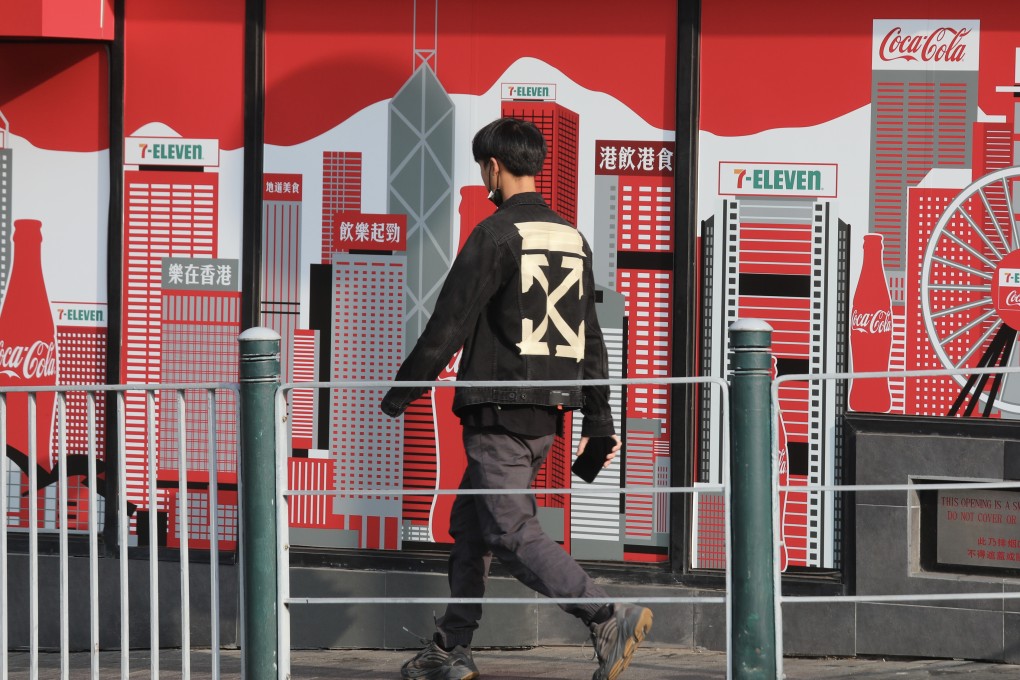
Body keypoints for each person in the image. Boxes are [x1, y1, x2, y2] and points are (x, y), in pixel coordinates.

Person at [381, 117, 652, 680]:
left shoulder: (495, 234)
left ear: (493, 168)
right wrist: (598, 421)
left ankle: (605, 615)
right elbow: (592, 341)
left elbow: (449, 323)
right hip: (545, 415)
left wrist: (398, 396)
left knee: (507, 527)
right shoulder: (572, 238)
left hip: (497, 413)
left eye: (484, 167)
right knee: (473, 525)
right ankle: (451, 648)